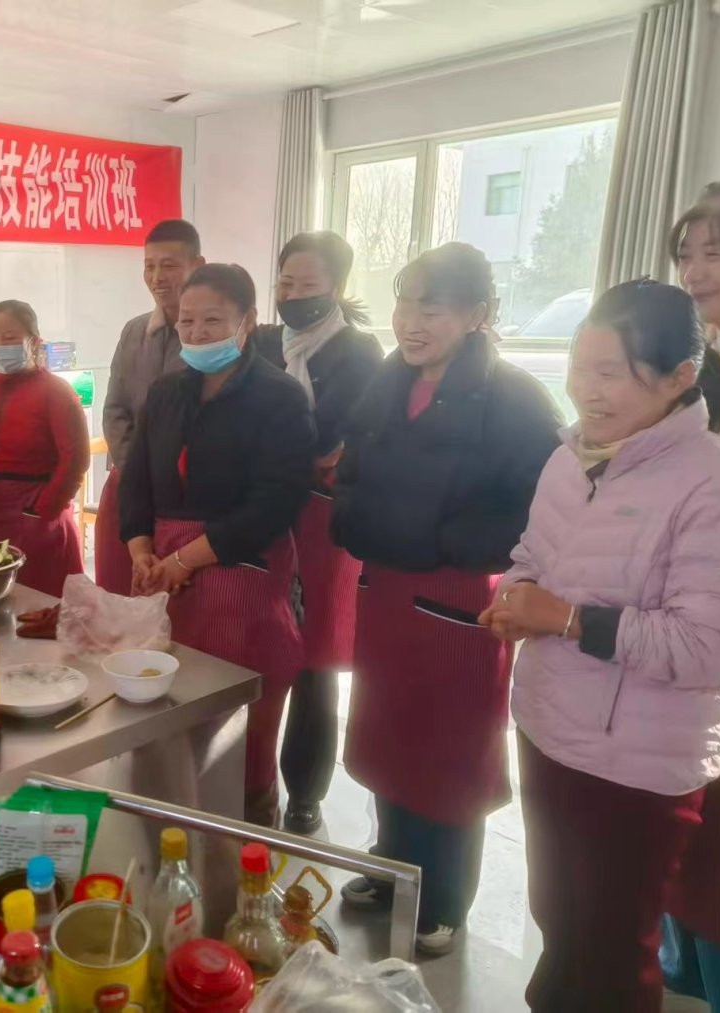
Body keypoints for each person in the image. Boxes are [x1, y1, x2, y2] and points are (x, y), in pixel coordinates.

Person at [481, 280, 720, 1012]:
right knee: (557, 921)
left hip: (637, 764)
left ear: (679, 377)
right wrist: (517, 593)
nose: (586, 391)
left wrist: (567, 617)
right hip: (548, 727)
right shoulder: (569, 457)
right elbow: (532, 553)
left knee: (612, 952)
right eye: (579, 367)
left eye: (610, 373)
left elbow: (712, 648)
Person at [331, 243, 561, 956]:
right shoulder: (388, 380)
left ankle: (444, 899)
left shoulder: (513, 397)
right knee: (386, 734)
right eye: (404, 303)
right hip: (385, 590)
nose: (410, 321)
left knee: (450, 754)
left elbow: (542, 506)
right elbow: (352, 468)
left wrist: (450, 539)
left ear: (476, 315)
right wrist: (355, 520)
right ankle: (390, 866)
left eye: (430, 308)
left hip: (460, 599)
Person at [119, 263, 315, 827]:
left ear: (247, 321)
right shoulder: (165, 391)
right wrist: (141, 550)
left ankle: (249, 840)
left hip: (242, 575)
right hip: (164, 576)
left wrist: (185, 559)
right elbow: (137, 481)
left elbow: (275, 503)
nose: (197, 333)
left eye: (213, 321)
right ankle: (168, 833)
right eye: (187, 321)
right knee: (167, 717)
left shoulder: (279, 397)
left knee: (240, 732)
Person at [252, 231, 384, 834]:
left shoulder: (359, 351)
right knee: (257, 640)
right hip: (267, 510)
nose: (294, 295)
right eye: (285, 283)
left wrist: (285, 449)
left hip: (323, 521)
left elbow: (333, 440)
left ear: (336, 287)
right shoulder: (260, 342)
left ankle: (305, 790)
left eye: (308, 284)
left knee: (315, 657)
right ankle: (251, 775)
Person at [660, 180, 720, 1012]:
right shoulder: (697, 363)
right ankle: (685, 964)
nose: (693, 270)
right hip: (676, 638)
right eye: (686, 253)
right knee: (687, 827)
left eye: (714, 252)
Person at [0, 300, 89, 597]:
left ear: (34, 342)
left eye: (10, 338)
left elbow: (75, 459)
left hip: (37, 522)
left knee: (43, 604)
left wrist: (43, 509)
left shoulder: (56, 392)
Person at [98, 219, 205, 595]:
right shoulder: (134, 331)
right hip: (127, 486)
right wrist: (137, 471)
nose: (157, 277)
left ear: (198, 265)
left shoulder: (212, 339)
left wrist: (159, 474)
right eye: (149, 266)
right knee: (117, 592)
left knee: (176, 601)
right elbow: (115, 409)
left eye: (169, 265)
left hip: (184, 499)